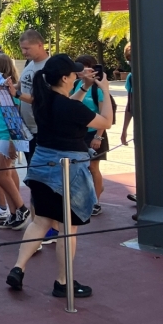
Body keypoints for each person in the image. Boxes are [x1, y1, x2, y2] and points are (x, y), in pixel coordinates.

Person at [5, 54, 112, 298]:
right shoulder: (71, 108)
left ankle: (18, 267)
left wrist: (84, 87)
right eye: (74, 74)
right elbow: (105, 121)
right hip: (67, 169)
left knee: (40, 220)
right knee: (67, 228)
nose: (77, 75)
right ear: (64, 78)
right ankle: (63, 281)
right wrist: (104, 91)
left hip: (41, 165)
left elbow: (68, 104)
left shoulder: (44, 100)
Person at [0, 54, 32, 229]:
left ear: (0, 66)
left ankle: (21, 209)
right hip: (0, 135)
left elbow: (14, 116)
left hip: (6, 136)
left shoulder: (6, 86)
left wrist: (12, 142)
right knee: (4, 173)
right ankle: (14, 212)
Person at [73, 55, 110, 216]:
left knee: (93, 167)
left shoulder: (97, 89)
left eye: (83, 67)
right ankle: (93, 191)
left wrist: (98, 136)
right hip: (79, 133)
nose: (80, 70)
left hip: (95, 133)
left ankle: (95, 202)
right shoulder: (75, 85)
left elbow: (104, 115)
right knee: (82, 168)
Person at [17, 30, 50, 165]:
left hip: (40, 130)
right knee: (31, 170)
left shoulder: (50, 67)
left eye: (27, 48)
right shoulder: (30, 63)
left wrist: (16, 94)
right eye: (22, 49)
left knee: (40, 171)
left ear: (40, 45)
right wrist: (7, 86)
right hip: (25, 128)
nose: (24, 52)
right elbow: (21, 84)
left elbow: (43, 99)